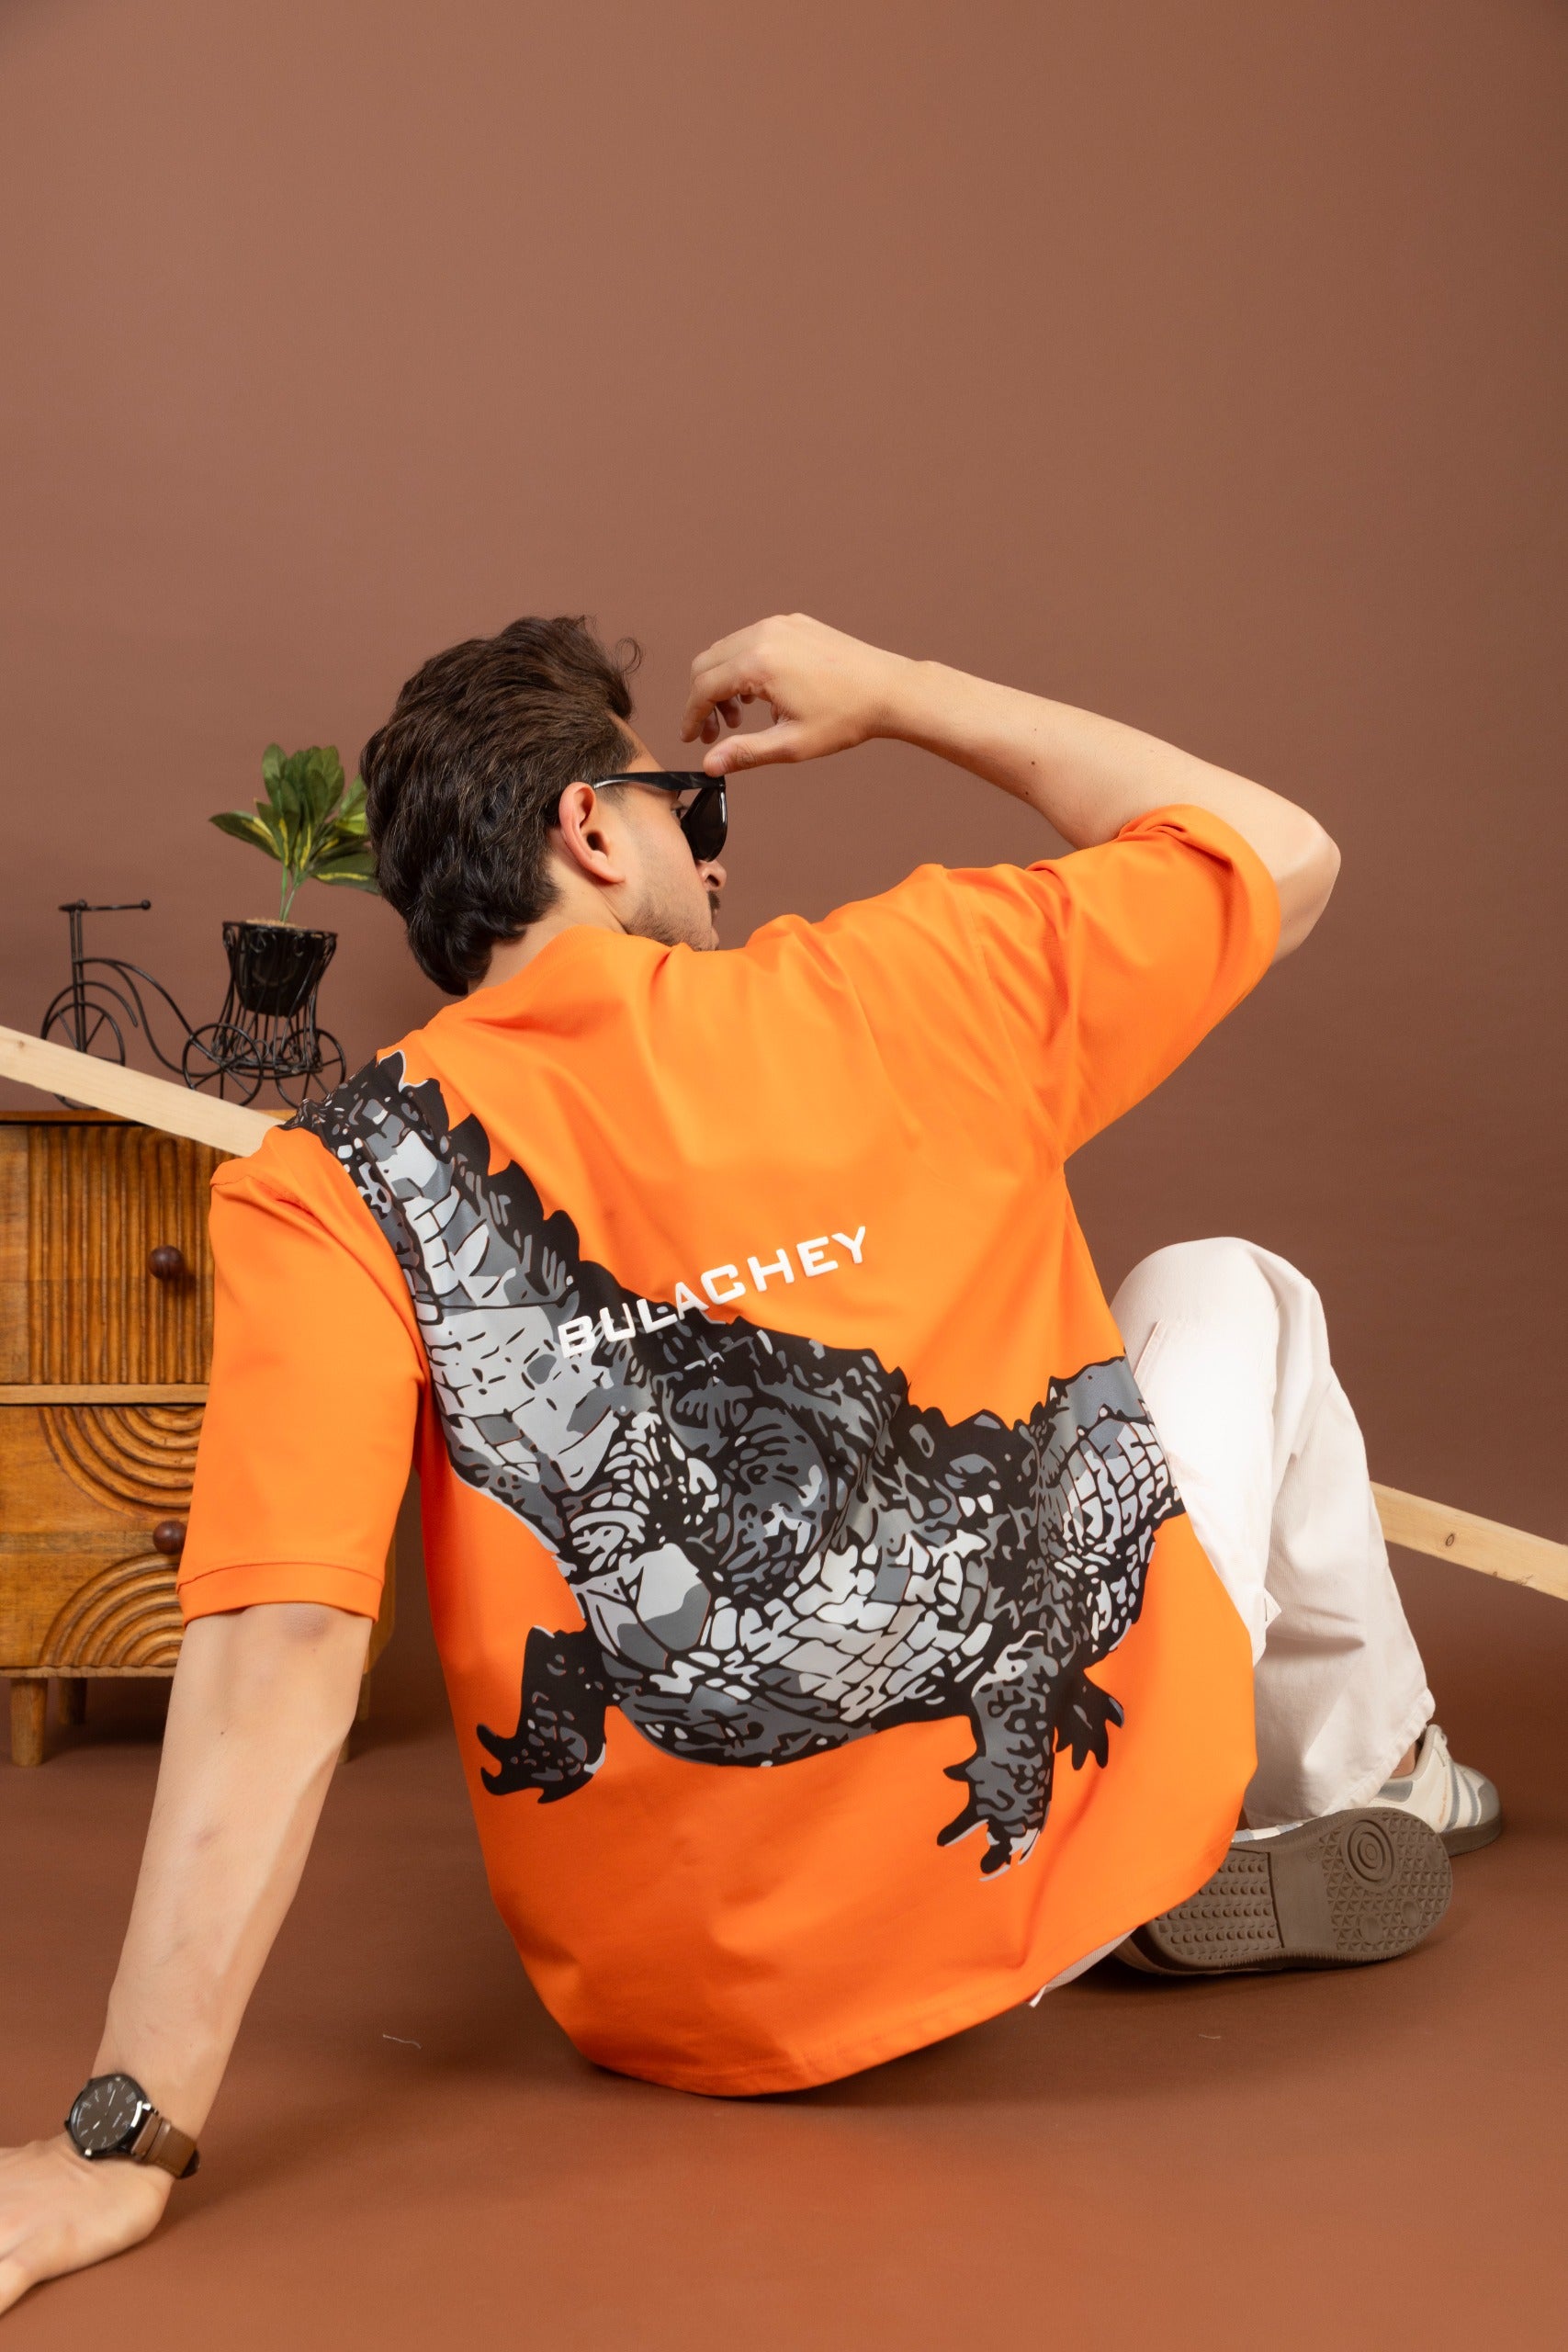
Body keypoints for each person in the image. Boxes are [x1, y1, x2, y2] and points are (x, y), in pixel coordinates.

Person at [0, 612, 1498, 2310]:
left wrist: (122, 2135)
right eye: (692, 815)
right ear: (591, 828)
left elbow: (280, 1643)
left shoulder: (324, 1182)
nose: (715, 861)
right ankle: (1382, 1779)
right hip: (1023, 1863)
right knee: (1228, 1286)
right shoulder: (906, 982)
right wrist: (899, 695)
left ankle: (1230, 1814)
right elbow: (1282, 853)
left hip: (675, 2014)